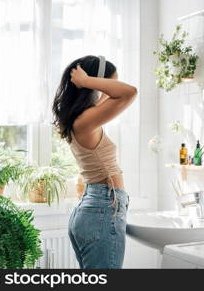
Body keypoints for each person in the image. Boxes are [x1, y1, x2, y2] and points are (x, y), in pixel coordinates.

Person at [52, 55, 137, 268]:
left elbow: (114, 97)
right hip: (102, 208)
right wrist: (87, 80)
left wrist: (91, 84)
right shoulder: (85, 121)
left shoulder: (82, 118)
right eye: (110, 84)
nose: (110, 90)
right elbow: (129, 92)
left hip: (95, 207)